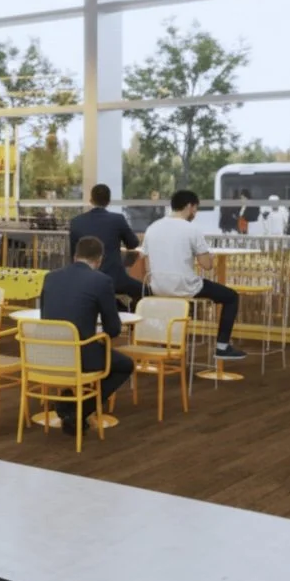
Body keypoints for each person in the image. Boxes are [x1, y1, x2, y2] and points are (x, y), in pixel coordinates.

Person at [40, 236, 134, 436]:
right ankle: (81, 409)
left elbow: (44, 318)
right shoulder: (101, 281)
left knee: (99, 354)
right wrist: (98, 333)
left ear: (75, 256)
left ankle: (71, 403)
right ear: (99, 260)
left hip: (46, 355)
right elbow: (114, 329)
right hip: (80, 356)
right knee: (124, 365)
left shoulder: (50, 277)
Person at [142, 189, 246, 360]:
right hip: (184, 286)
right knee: (231, 297)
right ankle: (222, 347)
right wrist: (209, 256)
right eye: (195, 209)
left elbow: (147, 264)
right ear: (189, 206)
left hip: (157, 286)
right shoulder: (192, 229)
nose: (195, 213)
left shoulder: (153, 227)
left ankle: (166, 343)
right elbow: (207, 266)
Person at [68, 183, 143, 307]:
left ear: (91, 200)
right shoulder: (117, 219)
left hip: (84, 281)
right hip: (115, 280)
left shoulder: (76, 222)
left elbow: (73, 256)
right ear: (109, 201)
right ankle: (129, 317)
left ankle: (116, 307)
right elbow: (133, 244)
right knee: (146, 291)